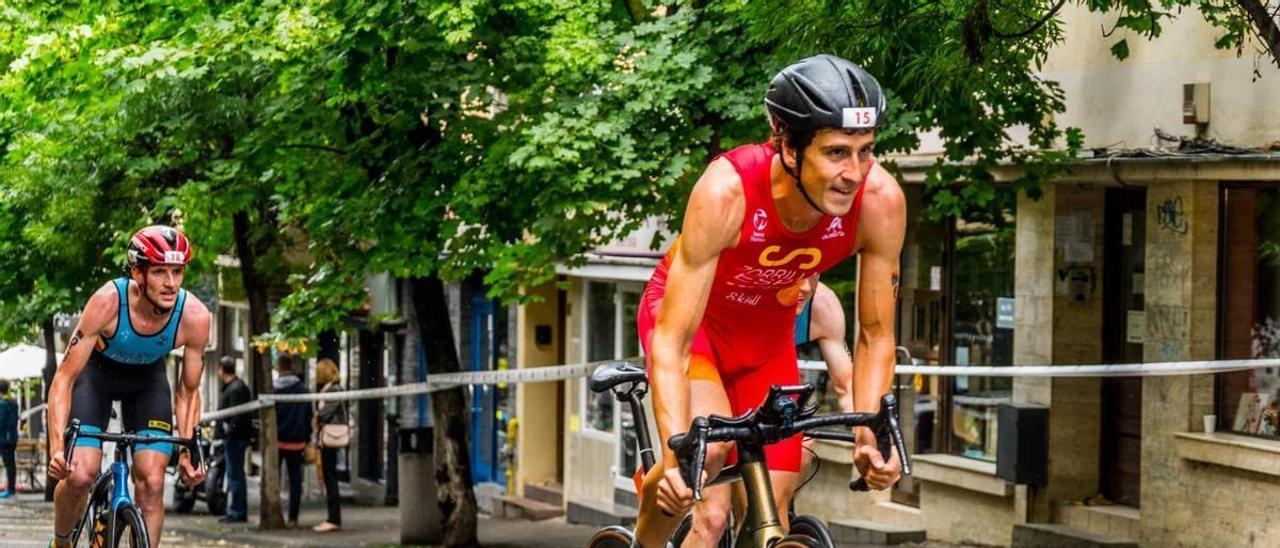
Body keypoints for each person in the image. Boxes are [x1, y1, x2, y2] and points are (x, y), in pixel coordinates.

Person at [633, 54, 906, 547]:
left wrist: (870, 434)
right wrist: (676, 457)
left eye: (866, 151)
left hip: (765, 341)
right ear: (786, 144)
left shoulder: (880, 201)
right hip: (697, 334)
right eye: (837, 152)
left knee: (772, 506)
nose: (855, 172)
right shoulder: (727, 191)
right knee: (706, 472)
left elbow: (876, 334)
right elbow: (672, 340)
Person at [46, 225, 211, 548]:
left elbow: (188, 391)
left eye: (177, 272)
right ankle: (62, 543)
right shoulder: (108, 302)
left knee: (151, 481)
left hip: (147, 383)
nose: (171, 283)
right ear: (138, 272)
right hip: (96, 377)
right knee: (80, 474)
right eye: (160, 271)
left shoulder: (195, 316)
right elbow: (64, 377)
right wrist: (55, 448)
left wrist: (190, 449)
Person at [273, 353, 312, 528]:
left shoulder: (273, 390)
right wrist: (307, 437)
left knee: (275, 477)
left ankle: (275, 514)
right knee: (295, 480)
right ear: (292, 366)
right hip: (297, 441)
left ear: (278, 367)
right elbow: (308, 415)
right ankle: (293, 517)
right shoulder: (302, 389)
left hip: (278, 441)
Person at [312, 358, 346, 533]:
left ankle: (334, 518)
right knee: (328, 475)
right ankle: (332, 517)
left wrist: (317, 414)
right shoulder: (329, 390)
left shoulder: (333, 390)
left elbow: (323, 414)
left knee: (330, 476)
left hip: (330, 437)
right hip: (326, 437)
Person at [217, 356, 253, 523]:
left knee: (235, 474)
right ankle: (236, 510)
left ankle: (238, 511)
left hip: (235, 439)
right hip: (236, 438)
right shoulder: (236, 387)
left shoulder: (234, 389)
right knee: (235, 474)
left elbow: (237, 418)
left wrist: (229, 433)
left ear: (222, 369)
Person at [0, 379, 17, 499]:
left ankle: (10, 489)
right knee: (11, 464)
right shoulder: (13, 402)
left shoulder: (2, 404)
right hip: (11, 438)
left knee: (8, 464)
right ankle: (11, 488)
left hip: (4, 439)